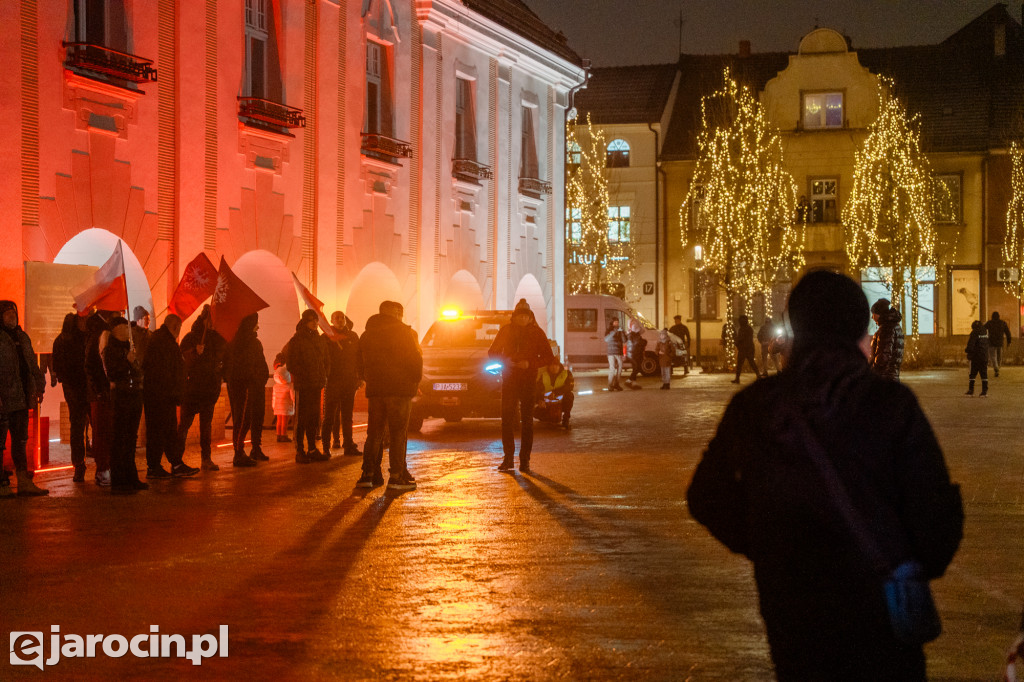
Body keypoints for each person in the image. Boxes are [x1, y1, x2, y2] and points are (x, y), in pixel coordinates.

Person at [687, 270, 963, 681]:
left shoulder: (757, 406)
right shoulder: (889, 405)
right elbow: (936, 516)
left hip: (793, 609)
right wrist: (908, 562)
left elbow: (706, 496)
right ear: (859, 326)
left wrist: (768, 544)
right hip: (880, 612)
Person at [356, 300, 422, 490]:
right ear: (395, 314)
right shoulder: (403, 332)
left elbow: (358, 361)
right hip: (399, 390)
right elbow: (415, 360)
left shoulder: (367, 335)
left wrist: (367, 378)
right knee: (397, 434)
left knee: (374, 433)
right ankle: (396, 476)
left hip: (376, 390)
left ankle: (368, 474)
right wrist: (414, 381)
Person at [488, 298, 554, 473]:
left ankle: (525, 460)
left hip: (528, 380)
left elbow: (548, 357)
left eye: (526, 316)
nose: (522, 319)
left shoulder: (537, 333)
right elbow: (492, 352)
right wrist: (506, 361)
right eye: (520, 316)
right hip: (509, 379)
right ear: (514, 317)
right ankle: (508, 458)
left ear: (530, 317)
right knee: (507, 420)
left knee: (527, 422)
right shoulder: (506, 331)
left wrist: (530, 364)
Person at [0, 300, 48, 497]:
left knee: (20, 441)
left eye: (14, 313)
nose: (12, 317)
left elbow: (31, 364)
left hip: (20, 398)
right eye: (7, 314)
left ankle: (23, 482)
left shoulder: (22, 337)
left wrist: (39, 386)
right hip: (3, 399)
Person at [142, 314, 199, 478]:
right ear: (175, 327)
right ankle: (155, 467)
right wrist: (175, 391)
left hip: (162, 395)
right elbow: (168, 371)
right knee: (158, 432)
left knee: (167, 431)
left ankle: (174, 463)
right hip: (161, 396)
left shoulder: (161, 341)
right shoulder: (164, 343)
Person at [177, 306, 227, 471]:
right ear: (204, 319)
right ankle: (176, 459)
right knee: (184, 425)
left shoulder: (218, 339)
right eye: (210, 319)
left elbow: (222, 360)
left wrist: (221, 376)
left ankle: (206, 459)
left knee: (206, 426)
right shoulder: (191, 338)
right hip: (192, 390)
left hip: (210, 391)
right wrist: (194, 352)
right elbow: (181, 361)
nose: (213, 323)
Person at [102, 317, 147, 495]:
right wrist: (126, 361)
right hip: (120, 396)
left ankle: (131, 476)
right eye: (124, 327)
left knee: (131, 438)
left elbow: (138, 369)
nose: (127, 330)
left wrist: (134, 363)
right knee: (120, 438)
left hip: (134, 394)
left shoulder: (130, 346)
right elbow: (112, 373)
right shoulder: (110, 349)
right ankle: (119, 479)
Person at [224, 313, 268, 467]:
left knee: (248, 418)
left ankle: (248, 449)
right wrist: (252, 378)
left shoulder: (250, 342)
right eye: (256, 323)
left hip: (252, 385)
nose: (259, 326)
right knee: (241, 420)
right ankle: (239, 452)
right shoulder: (242, 343)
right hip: (244, 386)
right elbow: (238, 365)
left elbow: (260, 364)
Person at [287, 309, 329, 464]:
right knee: (302, 418)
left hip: (316, 384)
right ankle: (300, 451)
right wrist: (305, 375)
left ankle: (312, 448)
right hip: (304, 385)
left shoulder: (318, 340)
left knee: (313, 417)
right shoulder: (297, 340)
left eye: (316, 320)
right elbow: (291, 363)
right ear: (305, 321)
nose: (314, 323)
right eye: (311, 320)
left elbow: (325, 360)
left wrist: (324, 374)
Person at [52, 312, 90, 482]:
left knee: (77, 426)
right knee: (84, 425)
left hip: (74, 388)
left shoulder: (61, 340)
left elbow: (58, 366)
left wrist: (64, 380)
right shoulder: (83, 339)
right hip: (83, 387)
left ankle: (79, 464)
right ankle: (89, 464)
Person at [321, 311, 362, 457]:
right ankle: (326, 447)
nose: (340, 320)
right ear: (332, 320)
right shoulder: (326, 337)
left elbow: (359, 357)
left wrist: (359, 377)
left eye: (342, 317)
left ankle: (348, 445)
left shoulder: (352, 336)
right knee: (329, 416)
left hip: (349, 382)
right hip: (332, 381)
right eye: (336, 318)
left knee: (347, 415)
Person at [84, 312, 113, 486]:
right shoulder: (98, 336)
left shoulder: (102, 335)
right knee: (101, 432)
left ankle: (107, 468)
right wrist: (99, 390)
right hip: (100, 394)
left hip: (105, 393)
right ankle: (102, 471)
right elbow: (91, 367)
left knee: (107, 432)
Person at [870, 298, 905, 381]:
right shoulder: (895, 326)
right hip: (892, 376)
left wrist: (872, 372)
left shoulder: (886, 329)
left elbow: (883, 356)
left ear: (879, 314)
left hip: (884, 377)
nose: (872, 317)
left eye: (873, 314)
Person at [535, 358, 574, 428]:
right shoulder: (544, 375)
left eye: (556, 365)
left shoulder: (566, 373)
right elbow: (537, 389)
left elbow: (570, 386)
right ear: (548, 366)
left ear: (559, 366)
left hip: (561, 402)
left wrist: (555, 392)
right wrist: (539, 400)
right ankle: (547, 417)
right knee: (535, 412)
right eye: (551, 365)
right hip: (547, 403)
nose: (554, 367)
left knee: (570, 396)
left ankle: (566, 418)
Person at [731, 315, 760, 384]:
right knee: (751, 363)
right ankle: (758, 376)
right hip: (748, 348)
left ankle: (737, 379)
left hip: (744, 349)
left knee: (741, 364)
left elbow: (740, 338)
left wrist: (736, 342)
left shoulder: (743, 329)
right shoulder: (748, 328)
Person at [964, 319, 990, 397]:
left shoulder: (974, 333)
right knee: (984, 374)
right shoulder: (985, 332)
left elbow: (971, 344)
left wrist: (967, 351)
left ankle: (971, 390)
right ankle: (984, 392)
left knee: (972, 374)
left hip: (975, 357)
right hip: (984, 356)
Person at [984, 311, 1012, 377]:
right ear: (999, 316)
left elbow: (983, 329)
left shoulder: (989, 323)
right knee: (999, 357)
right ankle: (998, 367)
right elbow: (1008, 333)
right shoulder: (1003, 323)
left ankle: (996, 367)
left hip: (991, 342)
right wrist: (1009, 342)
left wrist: (983, 337)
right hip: (1000, 342)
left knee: (993, 356)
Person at [604, 318, 626, 391]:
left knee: (620, 368)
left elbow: (624, 340)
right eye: (615, 322)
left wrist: (622, 332)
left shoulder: (620, 331)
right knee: (612, 368)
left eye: (617, 322)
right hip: (611, 352)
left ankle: (617, 384)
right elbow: (606, 339)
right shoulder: (609, 330)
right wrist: (614, 332)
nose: (617, 323)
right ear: (612, 323)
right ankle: (610, 385)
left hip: (619, 352)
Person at [624, 318, 647, 389]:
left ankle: (633, 383)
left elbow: (643, 330)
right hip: (633, 354)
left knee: (636, 368)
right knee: (637, 368)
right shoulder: (632, 335)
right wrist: (644, 341)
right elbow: (639, 343)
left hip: (635, 353)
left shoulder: (632, 334)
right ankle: (629, 380)